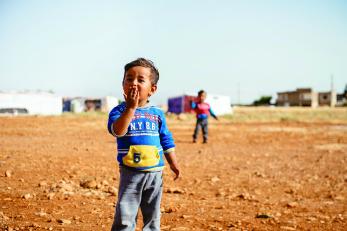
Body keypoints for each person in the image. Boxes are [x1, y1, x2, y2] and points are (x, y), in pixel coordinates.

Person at [107, 58, 180, 231]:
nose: (133, 83)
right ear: (123, 84)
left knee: (153, 217)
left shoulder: (157, 114)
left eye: (140, 80)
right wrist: (130, 109)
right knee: (125, 215)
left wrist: (173, 163)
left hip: (155, 173)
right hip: (130, 173)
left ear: (152, 89)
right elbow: (118, 131)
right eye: (129, 78)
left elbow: (166, 140)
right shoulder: (118, 111)